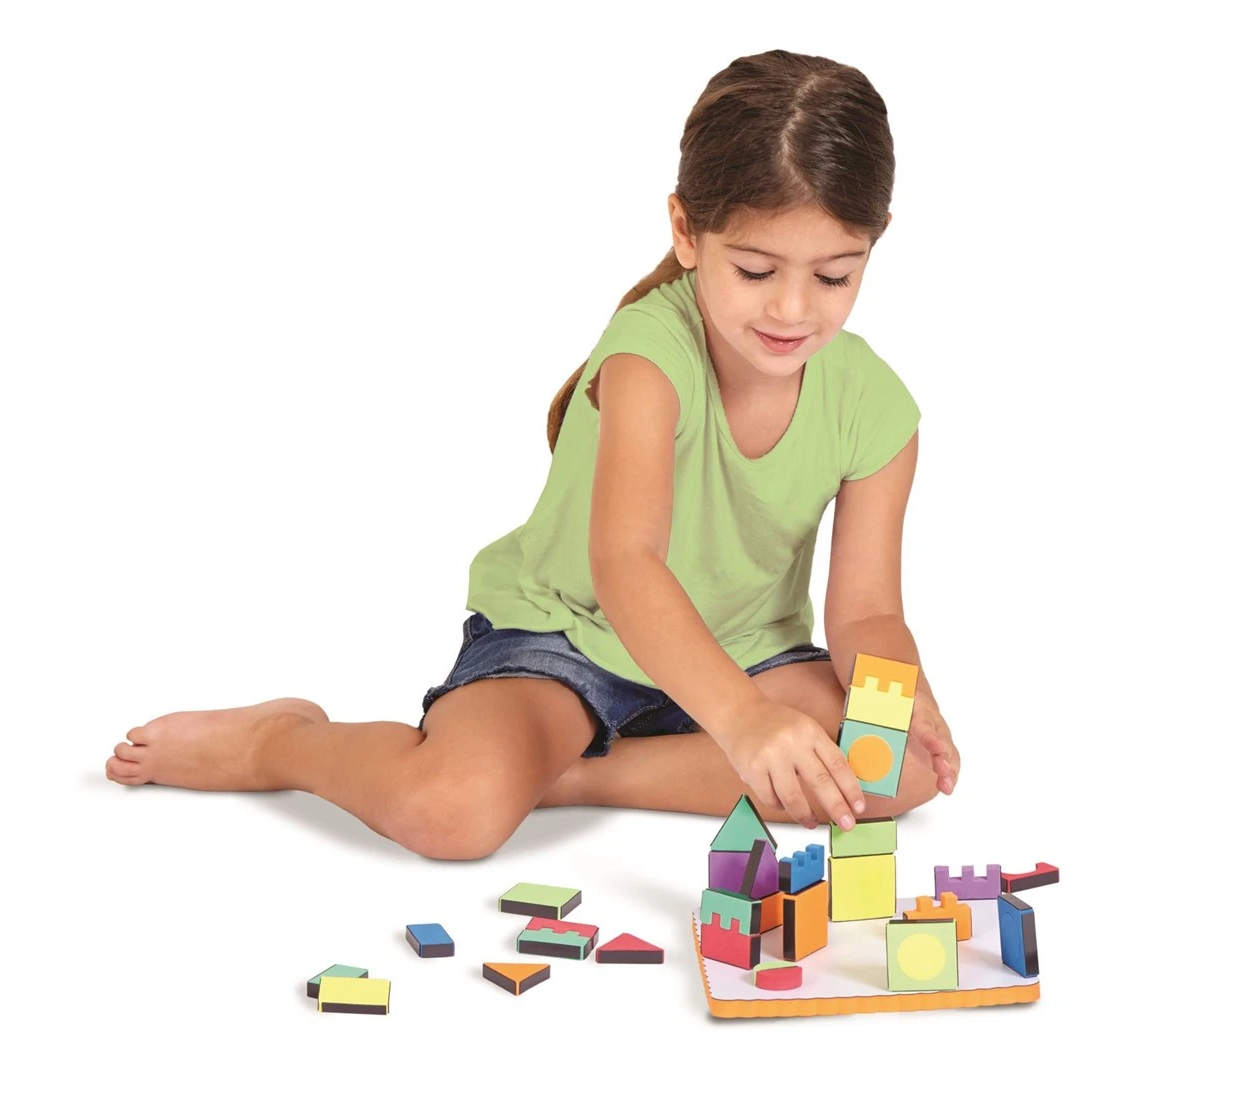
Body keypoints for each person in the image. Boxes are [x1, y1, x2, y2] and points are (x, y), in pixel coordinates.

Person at [103, 48, 961, 859]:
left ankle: (570, 780)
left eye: (834, 276)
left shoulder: (876, 406)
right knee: (451, 813)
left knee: (899, 769)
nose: (793, 310)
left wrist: (899, 690)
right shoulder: (648, 355)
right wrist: (739, 723)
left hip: (745, 657)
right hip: (570, 641)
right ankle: (280, 742)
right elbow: (626, 566)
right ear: (687, 231)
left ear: (874, 243)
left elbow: (866, 613)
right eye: (756, 271)